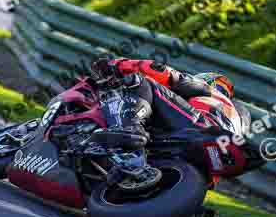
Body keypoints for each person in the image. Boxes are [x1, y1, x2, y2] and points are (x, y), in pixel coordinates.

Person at [88, 57, 241, 150]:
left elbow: (165, 73)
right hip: (201, 147)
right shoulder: (234, 121)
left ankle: (131, 126)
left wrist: (120, 65)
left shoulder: (208, 91)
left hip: (202, 126)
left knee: (143, 81)